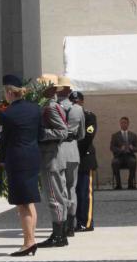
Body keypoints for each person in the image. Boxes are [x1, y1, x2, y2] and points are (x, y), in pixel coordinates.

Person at [0, 75, 41, 257]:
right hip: (32, 157)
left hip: (16, 159)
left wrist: (1, 160)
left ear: (9, 92)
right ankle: (31, 239)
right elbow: (41, 133)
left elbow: (5, 141)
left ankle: (28, 242)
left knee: (22, 204)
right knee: (29, 200)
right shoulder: (36, 109)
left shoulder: (7, 114)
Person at [36, 74, 70, 249]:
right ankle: (61, 233)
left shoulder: (49, 107)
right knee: (61, 196)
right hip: (55, 156)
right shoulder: (53, 106)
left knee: (54, 198)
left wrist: (41, 133)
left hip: (51, 157)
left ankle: (58, 235)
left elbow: (63, 132)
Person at [56, 75, 85, 237]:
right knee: (71, 188)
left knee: (61, 188)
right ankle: (71, 225)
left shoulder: (52, 106)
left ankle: (63, 222)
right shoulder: (78, 109)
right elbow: (81, 134)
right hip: (73, 149)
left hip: (58, 149)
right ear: (69, 91)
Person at [71, 92, 97, 232]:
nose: (76, 104)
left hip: (85, 158)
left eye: (78, 102)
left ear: (82, 102)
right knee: (74, 192)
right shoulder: (68, 115)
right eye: (73, 102)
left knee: (85, 192)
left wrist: (72, 148)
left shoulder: (89, 116)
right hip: (72, 158)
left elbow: (88, 136)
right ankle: (77, 221)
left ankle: (86, 222)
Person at [110, 117, 137, 189]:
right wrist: (120, 149)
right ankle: (118, 184)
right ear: (120, 124)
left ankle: (130, 183)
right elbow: (112, 148)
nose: (123, 124)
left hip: (129, 155)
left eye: (125, 123)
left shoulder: (133, 135)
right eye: (122, 123)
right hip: (119, 156)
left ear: (128, 124)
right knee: (114, 163)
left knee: (133, 162)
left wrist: (133, 148)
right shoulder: (115, 135)